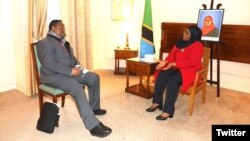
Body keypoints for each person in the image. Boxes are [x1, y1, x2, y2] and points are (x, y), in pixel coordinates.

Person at [36, 19, 112, 137]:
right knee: (77, 88)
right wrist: (70, 71)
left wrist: (77, 66)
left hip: (69, 73)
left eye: (64, 29)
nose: (63, 31)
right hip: (52, 76)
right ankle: (93, 126)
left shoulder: (64, 42)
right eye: (61, 28)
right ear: (52, 28)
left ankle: (94, 108)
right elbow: (49, 63)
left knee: (94, 77)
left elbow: (73, 58)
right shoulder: (44, 43)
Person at [146, 25, 204, 120]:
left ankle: (168, 110)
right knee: (162, 74)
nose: (184, 34)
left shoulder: (198, 45)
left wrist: (174, 64)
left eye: (187, 33)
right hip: (175, 66)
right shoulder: (179, 43)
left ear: (193, 35)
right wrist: (164, 62)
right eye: (184, 32)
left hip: (189, 70)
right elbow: (171, 55)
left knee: (172, 80)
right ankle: (157, 102)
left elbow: (192, 62)